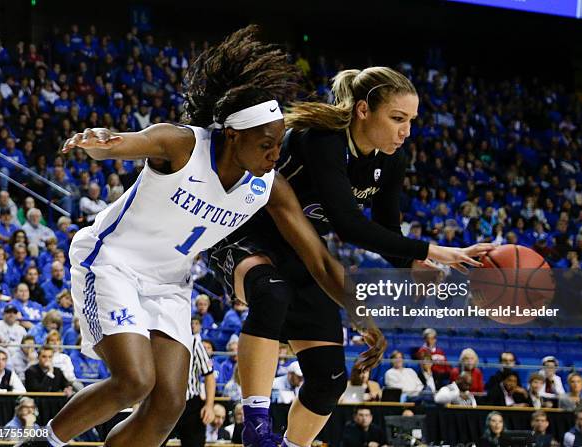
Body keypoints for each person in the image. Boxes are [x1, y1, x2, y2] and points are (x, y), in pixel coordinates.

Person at [49, 26, 382, 447]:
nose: (274, 155)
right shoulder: (182, 145)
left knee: (170, 403)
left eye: (279, 144)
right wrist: (100, 143)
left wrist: (360, 312)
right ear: (232, 135)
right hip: (110, 262)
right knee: (134, 381)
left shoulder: (269, 186)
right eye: (265, 144)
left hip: (170, 282)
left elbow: (318, 259)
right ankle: (38, 440)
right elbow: (125, 143)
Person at [207, 65, 493, 447]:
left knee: (329, 381)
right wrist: (432, 249)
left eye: (411, 120)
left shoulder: (391, 162)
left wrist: (412, 264)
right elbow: (348, 224)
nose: (405, 130)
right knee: (271, 292)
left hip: (305, 253)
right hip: (245, 233)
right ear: (363, 110)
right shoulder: (322, 139)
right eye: (397, 118)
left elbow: (388, 231)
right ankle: (256, 426)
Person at [170, 328, 216, 447]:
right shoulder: (156, 338)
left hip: (190, 404)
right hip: (163, 403)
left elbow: (209, 375)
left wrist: (209, 405)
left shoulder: (194, 342)